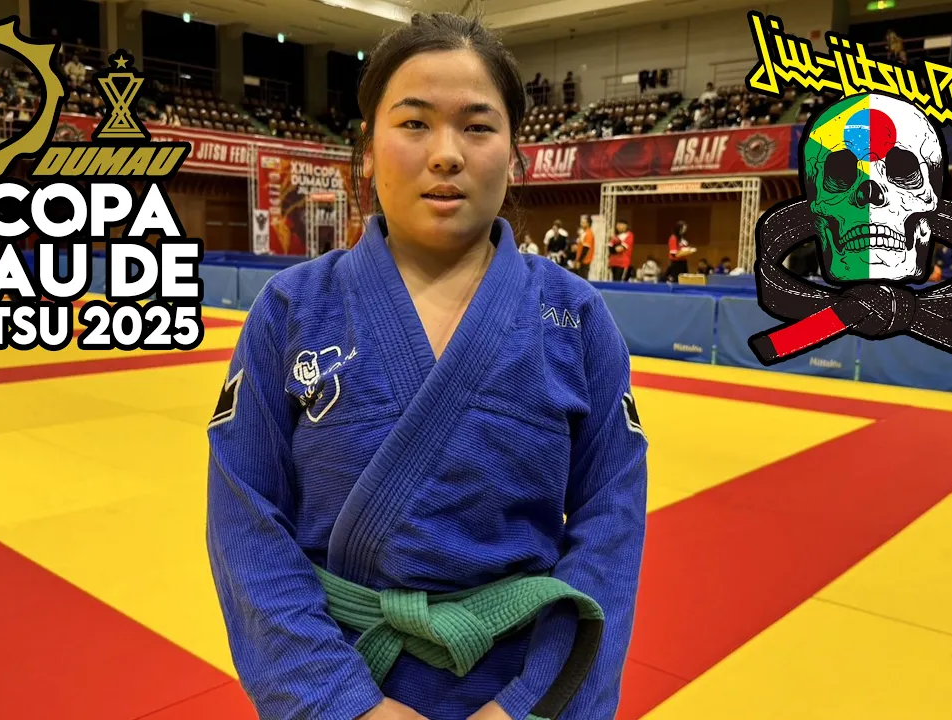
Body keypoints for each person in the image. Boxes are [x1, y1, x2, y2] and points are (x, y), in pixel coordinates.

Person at [206, 12, 648, 720]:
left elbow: (612, 529)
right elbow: (245, 527)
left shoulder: (577, 318)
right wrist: (341, 703)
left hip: (524, 685)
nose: (446, 154)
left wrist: (531, 705)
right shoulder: (290, 311)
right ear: (368, 150)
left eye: (477, 126)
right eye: (414, 123)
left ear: (514, 154)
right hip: (342, 674)